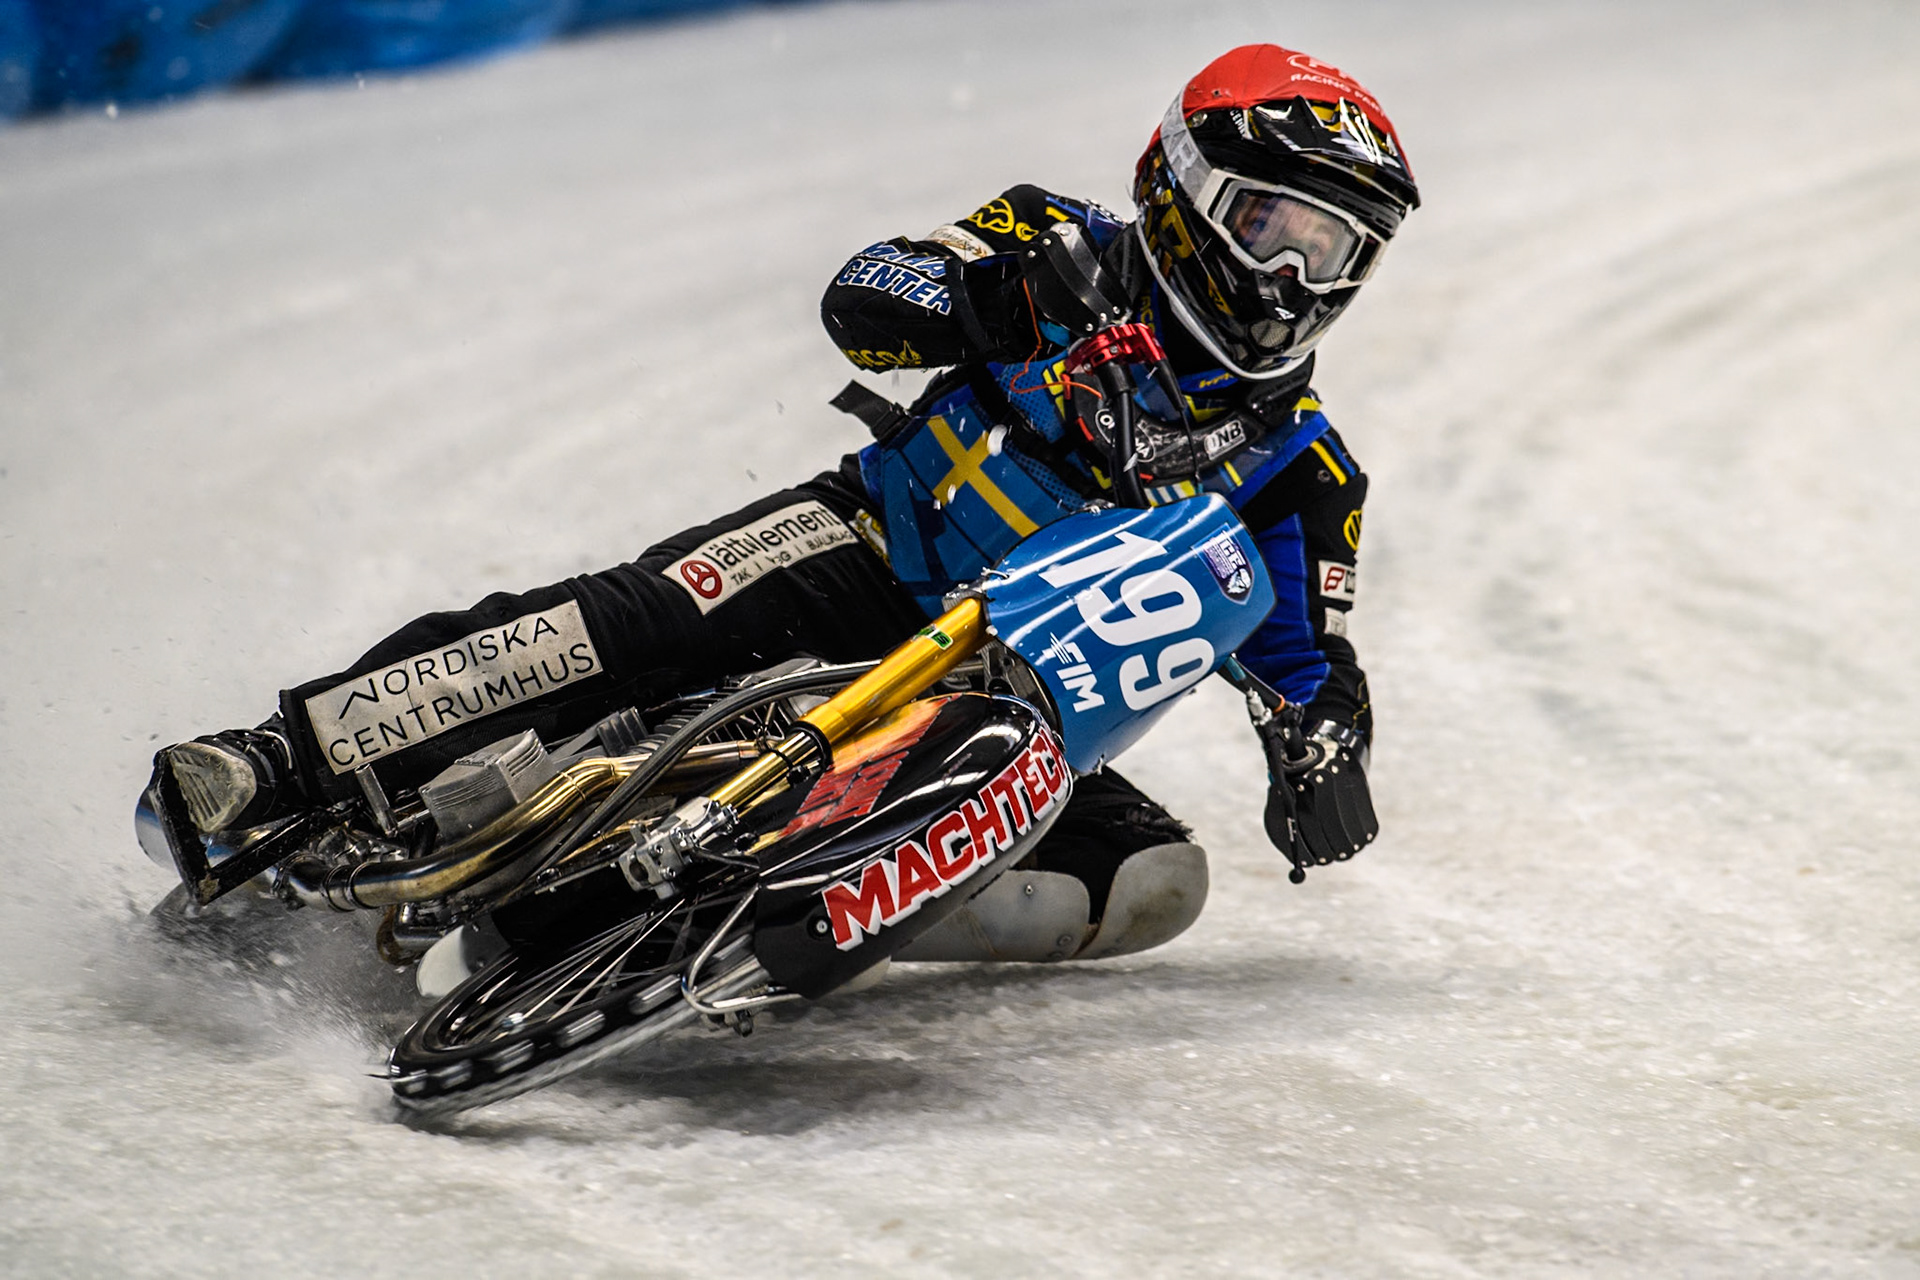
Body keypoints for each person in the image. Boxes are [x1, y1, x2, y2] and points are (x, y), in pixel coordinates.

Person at [150, 43, 1417, 962]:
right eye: (1272, 224)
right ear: (1184, 187)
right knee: (630, 622)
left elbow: (1307, 661)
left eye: (1334, 250)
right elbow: (863, 294)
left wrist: (1325, 752)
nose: (1294, 276)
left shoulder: (1305, 466)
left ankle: (679, 921)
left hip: (1006, 710)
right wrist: (995, 299)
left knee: (1149, 878)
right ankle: (277, 761)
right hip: (864, 546)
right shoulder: (1055, 237)